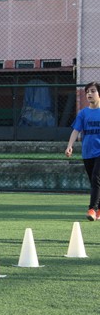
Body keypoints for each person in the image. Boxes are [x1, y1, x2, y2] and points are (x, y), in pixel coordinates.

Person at [66, 81, 100, 221]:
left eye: (92, 91)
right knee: (94, 183)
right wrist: (70, 146)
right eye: (87, 92)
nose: (89, 94)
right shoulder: (83, 113)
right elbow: (76, 130)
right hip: (87, 153)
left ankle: (92, 209)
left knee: (96, 179)